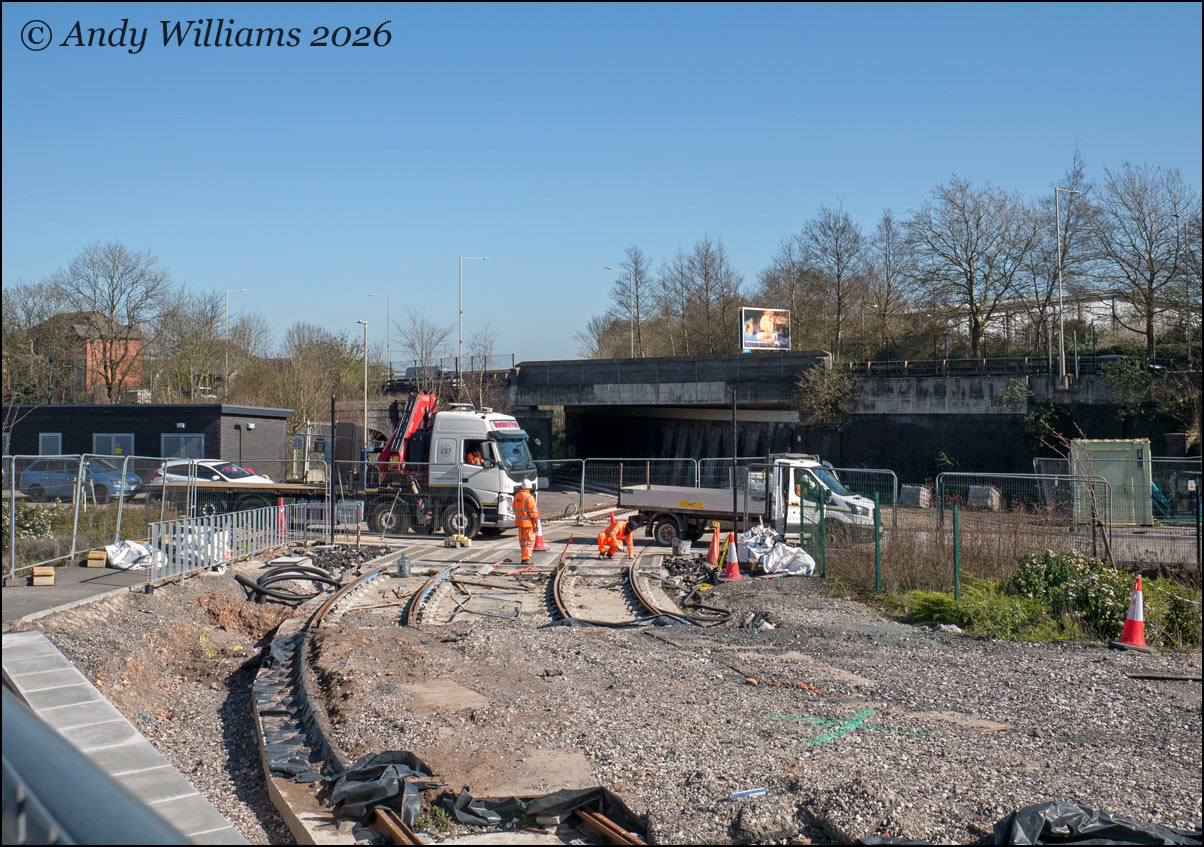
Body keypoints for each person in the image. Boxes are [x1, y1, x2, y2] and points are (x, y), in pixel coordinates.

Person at [513, 479, 540, 563]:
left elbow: (514, 508)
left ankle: (524, 558)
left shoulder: (517, 496)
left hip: (520, 523)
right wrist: (536, 523)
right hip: (528, 524)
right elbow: (533, 513)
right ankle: (526, 559)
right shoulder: (529, 498)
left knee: (523, 542)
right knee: (529, 542)